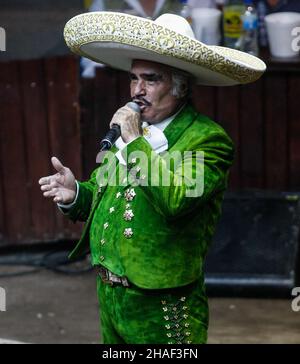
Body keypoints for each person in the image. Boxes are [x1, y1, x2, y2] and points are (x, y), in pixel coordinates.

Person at [39, 12, 266, 343]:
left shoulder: (205, 138)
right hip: (111, 296)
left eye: (151, 79)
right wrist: (75, 193)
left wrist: (135, 143)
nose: (137, 91)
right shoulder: (132, 133)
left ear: (181, 86)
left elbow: (177, 200)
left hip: (163, 303)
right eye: (133, 78)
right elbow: (109, 199)